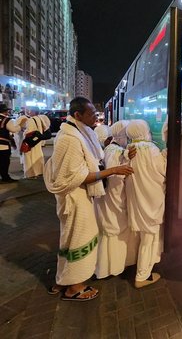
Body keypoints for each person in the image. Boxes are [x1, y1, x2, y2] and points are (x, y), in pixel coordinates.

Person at [44, 97, 134, 301]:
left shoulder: (76, 131)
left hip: (78, 197)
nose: (96, 117)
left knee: (69, 239)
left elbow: (90, 159)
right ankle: (74, 287)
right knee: (79, 238)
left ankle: (63, 280)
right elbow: (75, 176)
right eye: (92, 114)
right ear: (78, 115)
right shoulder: (69, 138)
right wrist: (113, 170)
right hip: (75, 198)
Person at [125, 119, 167, 288]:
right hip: (152, 200)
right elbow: (162, 170)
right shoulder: (151, 149)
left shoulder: (128, 150)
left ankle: (146, 268)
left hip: (137, 199)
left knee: (145, 236)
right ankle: (142, 276)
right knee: (149, 238)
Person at [94, 120, 139, 279]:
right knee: (115, 230)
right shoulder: (114, 151)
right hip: (114, 197)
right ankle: (112, 268)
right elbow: (114, 178)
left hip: (107, 198)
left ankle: (109, 267)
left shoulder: (111, 148)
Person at [0, 103, 26, 182]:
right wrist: (20, 125)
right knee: (4, 161)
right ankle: (5, 177)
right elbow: (14, 130)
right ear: (5, 111)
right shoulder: (7, 119)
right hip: (3, 144)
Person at [22, 109, 45, 178]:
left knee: (29, 156)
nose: (29, 112)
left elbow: (29, 131)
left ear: (34, 112)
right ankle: (40, 171)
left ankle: (31, 173)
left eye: (30, 111)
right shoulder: (40, 119)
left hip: (30, 141)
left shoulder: (31, 120)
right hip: (38, 140)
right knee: (37, 155)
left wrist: (24, 132)